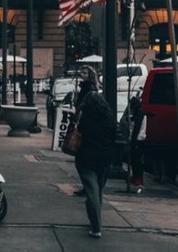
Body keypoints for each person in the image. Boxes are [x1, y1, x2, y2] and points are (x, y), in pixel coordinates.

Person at [72, 67, 115, 239]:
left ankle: (96, 226)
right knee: (98, 191)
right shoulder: (109, 118)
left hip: (87, 159)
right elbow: (113, 137)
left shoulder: (86, 118)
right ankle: (95, 220)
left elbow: (80, 133)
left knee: (92, 192)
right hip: (105, 160)